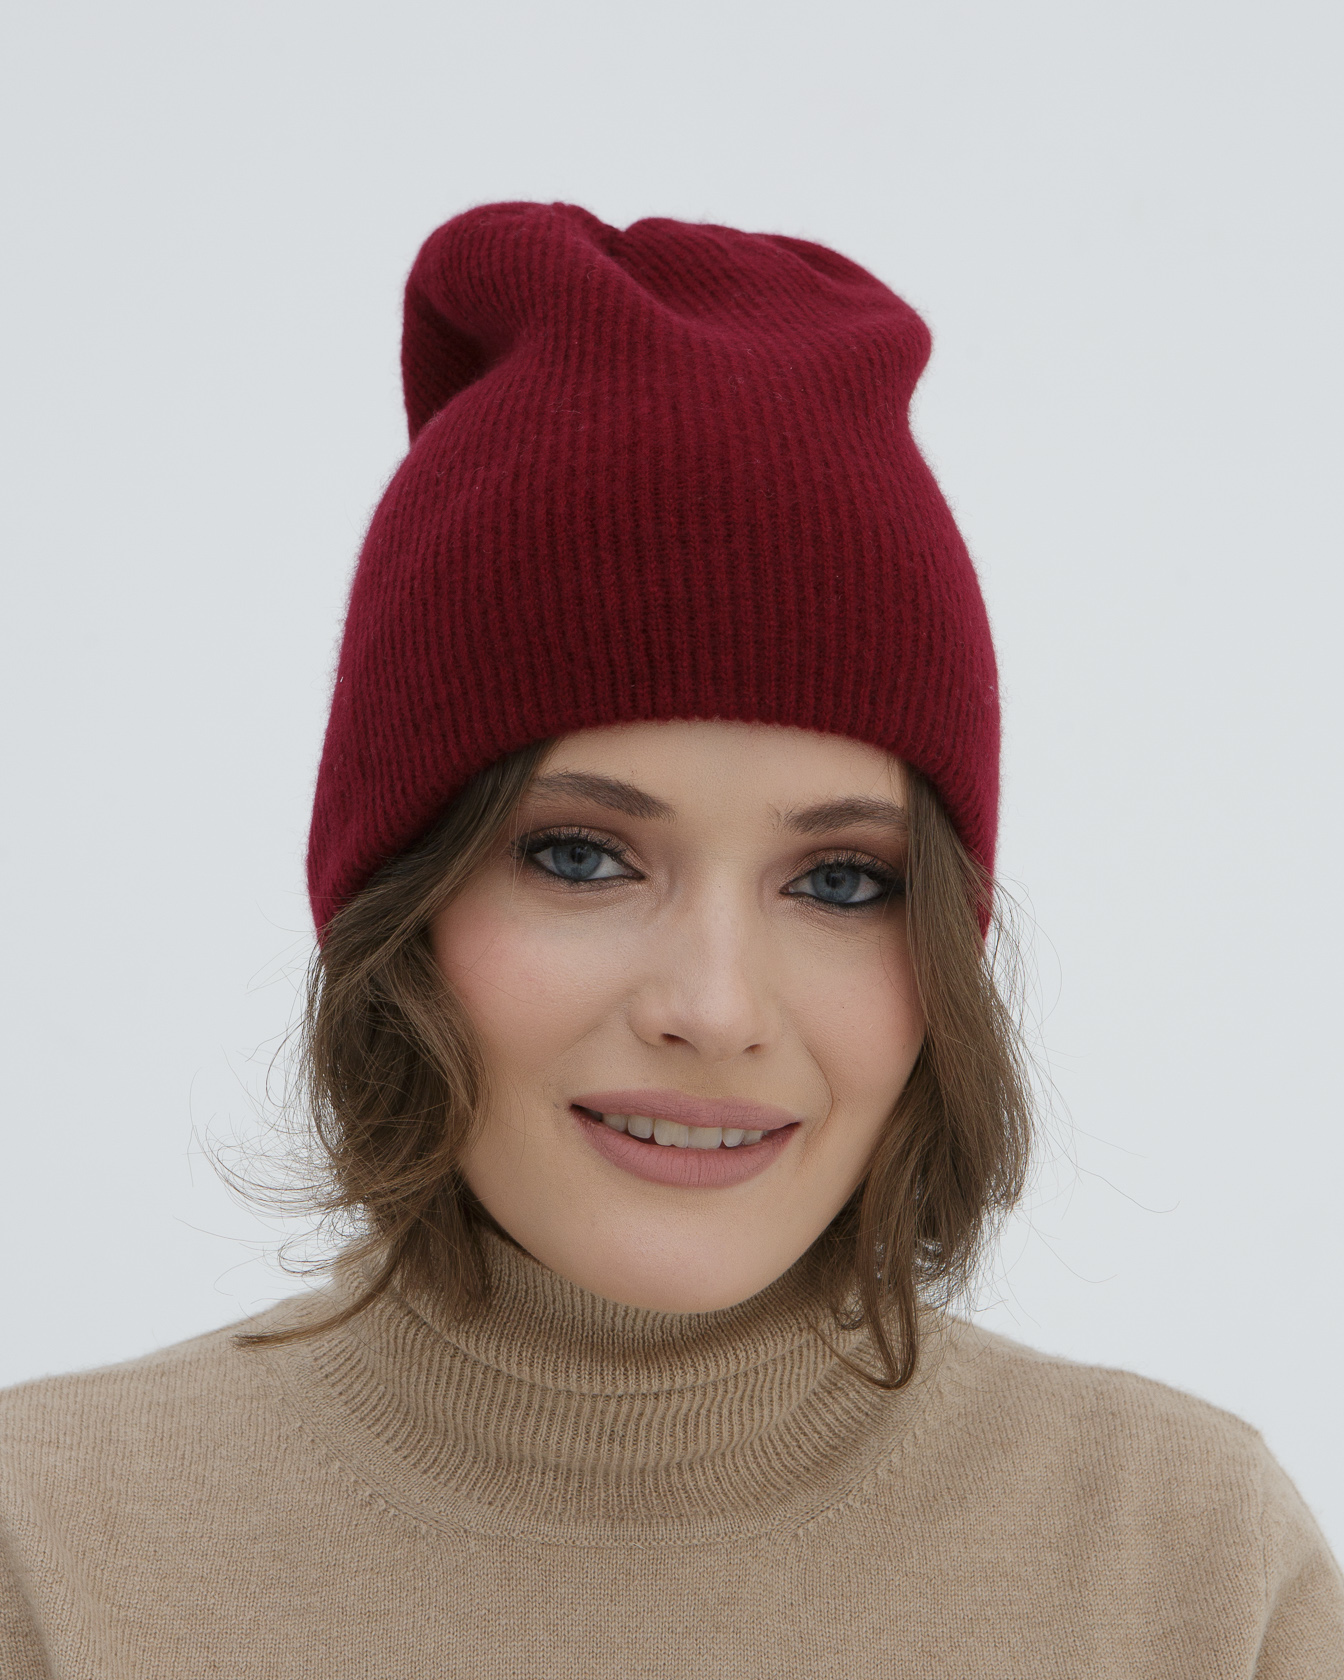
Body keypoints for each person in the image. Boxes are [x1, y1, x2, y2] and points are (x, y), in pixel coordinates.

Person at [1, 201, 1339, 1678]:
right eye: (580, 856)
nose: (713, 1004)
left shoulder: (1187, 1569)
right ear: (398, 907)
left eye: (842, 881)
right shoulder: (54, 1549)